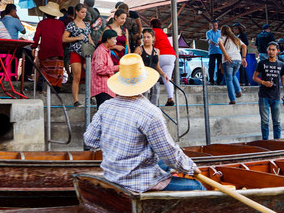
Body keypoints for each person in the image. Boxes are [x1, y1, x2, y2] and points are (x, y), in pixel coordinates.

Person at [84, 54, 203, 193]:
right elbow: (168, 153)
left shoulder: (106, 106)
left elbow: (90, 140)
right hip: (138, 182)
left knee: (161, 163)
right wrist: (191, 167)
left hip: (112, 175)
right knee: (198, 187)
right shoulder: (150, 112)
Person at [253, 41, 284, 140]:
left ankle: (277, 142)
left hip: (276, 95)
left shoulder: (281, 64)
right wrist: (263, 82)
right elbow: (254, 77)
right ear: (267, 50)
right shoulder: (262, 63)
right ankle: (265, 141)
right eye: (269, 49)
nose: (271, 51)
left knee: (277, 122)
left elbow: (283, 80)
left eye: (273, 50)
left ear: (277, 51)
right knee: (264, 121)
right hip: (264, 95)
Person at [62, 3, 93, 107]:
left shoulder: (87, 24)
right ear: (76, 12)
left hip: (86, 53)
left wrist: (94, 48)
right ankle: (76, 100)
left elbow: (89, 38)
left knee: (89, 74)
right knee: (77, 76)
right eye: (82, 12)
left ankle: (90, 96)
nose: (84, 14)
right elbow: (64, 38)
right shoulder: (71, 25)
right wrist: (77, 38)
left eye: (85, 12)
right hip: (75, 52)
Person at [32, 2, 65, 93]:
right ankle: (55, 88)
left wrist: (34, 46)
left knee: (45, 69)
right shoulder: (61, 24)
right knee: (57, 71)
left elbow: (36, 37)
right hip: (57, 50)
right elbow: (63, 39)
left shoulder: (41, 23)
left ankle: (42, 82)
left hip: (45, 50)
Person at [134, 28, 170, 106]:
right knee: (143, 101)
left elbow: (157, 66)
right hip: (143, 79)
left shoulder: (157, 51)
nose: (145, 39)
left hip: (154, 78)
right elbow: (134, 65)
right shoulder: (139, 49)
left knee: (154, 101)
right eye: (144, 37)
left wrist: (163, 74)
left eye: (148, 37)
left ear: (153, 38)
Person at [218, 25, 247, 105]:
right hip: (238, 60)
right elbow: (244, 46)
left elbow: (220, 44)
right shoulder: (236, 39)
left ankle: (232, 99)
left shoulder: (222, 38)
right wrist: (244, 58)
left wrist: (226, 55)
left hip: (228, 60)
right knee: (232, 75)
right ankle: (238, 91)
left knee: (229, 80)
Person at [90, 29, 119, 107]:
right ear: (108, 39)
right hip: (102, 88)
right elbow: (99, 69)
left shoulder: (106, 51)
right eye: (114, 39)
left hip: (107, 88)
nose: (116, 41)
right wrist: (116, 68)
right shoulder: (101, 51)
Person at [151, 18, 177, 106]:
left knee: (152, 76)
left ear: (151, 25)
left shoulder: (152, 32)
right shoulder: (163, 33)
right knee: (167, 78)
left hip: (160, 54)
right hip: (171, 55)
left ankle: (152, 101)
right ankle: (170, 98)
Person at [206, 20, 222, 85]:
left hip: (220, 52)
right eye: (213, 25)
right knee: (211, 66)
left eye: (216, 25)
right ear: (211, 26)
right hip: (212, 52)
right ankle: (211, 80)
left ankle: (219, 81)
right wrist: (215, 43)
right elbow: (209, 40)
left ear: (217, 25)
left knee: (219, 66)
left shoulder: (220, 32)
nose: (215, 27)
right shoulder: (208, 33)